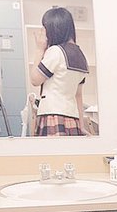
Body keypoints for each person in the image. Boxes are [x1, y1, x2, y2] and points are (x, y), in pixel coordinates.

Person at [29, 7, 90, 136]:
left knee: (52, 150)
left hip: (52, 114)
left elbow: (35, 80)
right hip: (72, 118)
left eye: (44, 28)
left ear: (52, 29)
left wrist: (39, 49)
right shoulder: (81, 56)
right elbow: (78, 95)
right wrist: (81, 126)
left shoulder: (56, 52)